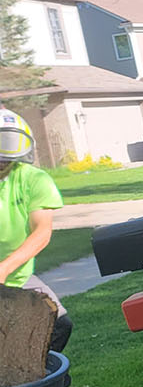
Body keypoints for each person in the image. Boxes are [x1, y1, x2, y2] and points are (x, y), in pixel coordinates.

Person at [0, 109, 71, 352]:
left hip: (18, 277)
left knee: (59, 325)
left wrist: (4, 268)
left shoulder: (33, 180)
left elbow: (41, 232)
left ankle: (48, 385)